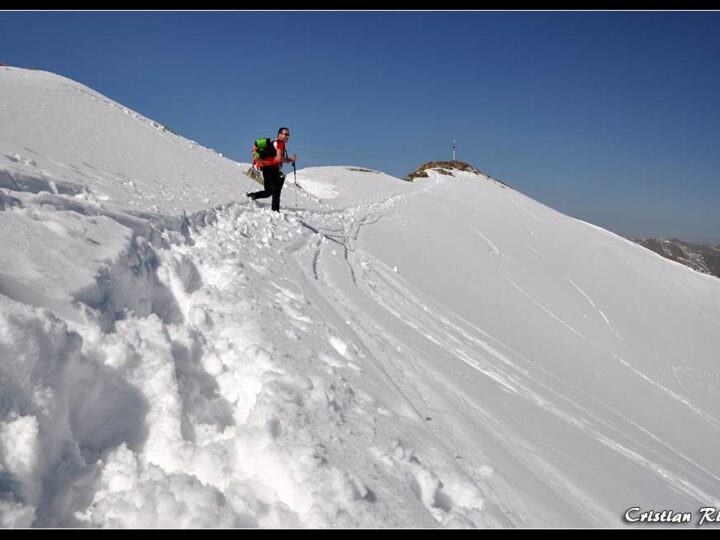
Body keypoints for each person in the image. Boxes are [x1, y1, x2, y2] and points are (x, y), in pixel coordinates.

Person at [247, 127, 297, 212]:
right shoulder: (280, 143)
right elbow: (278, 158)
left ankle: (252, 196)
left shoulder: (273, 143)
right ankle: (275, 212)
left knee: (268, 192)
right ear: (279, 134)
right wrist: (290, 160)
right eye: (285, 134)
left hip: (266, 169)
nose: (287, 136)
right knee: (276, 193)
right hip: (273, 170)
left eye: (288, 135)